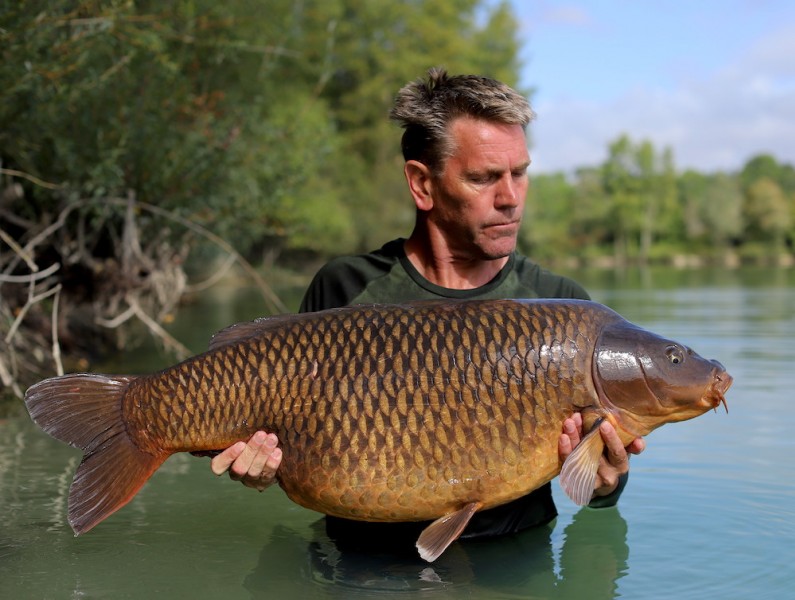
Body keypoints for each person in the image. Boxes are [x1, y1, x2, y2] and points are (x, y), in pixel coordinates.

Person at [209, 67, 645, 544]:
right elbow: (282, 447)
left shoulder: (565, 310)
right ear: (422, 185)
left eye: (520, 173)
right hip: (362, 566)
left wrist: (607, 483)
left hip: (513, 563)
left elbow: (600, 490)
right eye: (484, 178)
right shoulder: (346, 288)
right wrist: (262, 465)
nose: (511, 198)